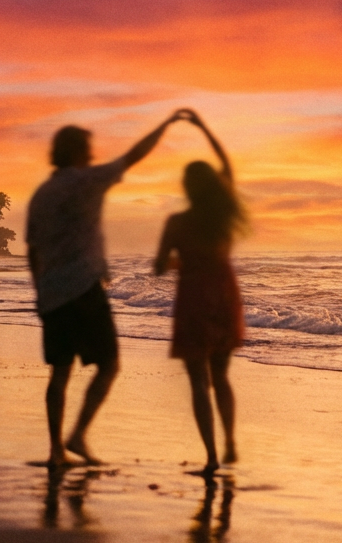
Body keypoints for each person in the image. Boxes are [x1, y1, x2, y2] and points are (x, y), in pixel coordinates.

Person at [27, 112, 183, 467]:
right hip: (83, 287)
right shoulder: (89, 180)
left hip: (51, 293)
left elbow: (33, 251)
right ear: (80, 153)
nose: (94, 156)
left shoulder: (42, 194)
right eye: (89, 150)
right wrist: (166, 123)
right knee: (109, 364)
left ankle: (55, 450)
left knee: (60, 372)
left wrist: (39, 294)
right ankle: (78, 434)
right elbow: (134, 154)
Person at [153, 111, 246, 475]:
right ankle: (231, 442)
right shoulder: (224, 216)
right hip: (224, 295)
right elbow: (226, 164)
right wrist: (204, 127)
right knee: (221, 375)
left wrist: (181, 263)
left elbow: (159, 267)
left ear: (188, 188)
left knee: (198, 381)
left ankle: (210, 456)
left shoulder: (176, 223)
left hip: (193, 299)